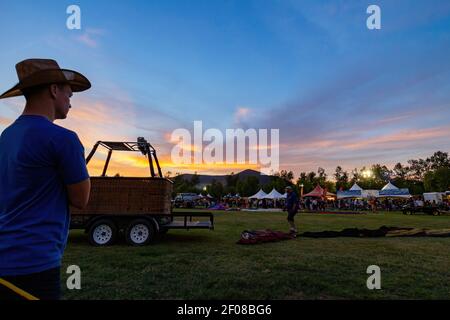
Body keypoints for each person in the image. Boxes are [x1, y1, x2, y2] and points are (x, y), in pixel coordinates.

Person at [0, 59, 91, 300]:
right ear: (53, 90)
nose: (70, 102)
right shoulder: (64, 139)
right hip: (35, 262)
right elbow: (81, 199)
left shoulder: (6, 137)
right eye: (69, 94)